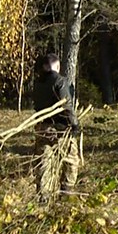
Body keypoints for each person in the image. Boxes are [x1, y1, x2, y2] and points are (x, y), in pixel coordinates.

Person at [33, 53, 81, 197]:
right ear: (58, 66)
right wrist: (74, 124)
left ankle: (43, 194)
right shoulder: (60, 81)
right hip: (60, 129)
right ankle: (66, 190)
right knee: (71, 160)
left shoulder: (38, 83)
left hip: (43, 127)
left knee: (43, 160)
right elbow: (67, 105)